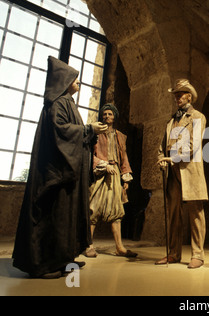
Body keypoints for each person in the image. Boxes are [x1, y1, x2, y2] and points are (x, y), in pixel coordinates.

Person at [12, 56, 107, 278]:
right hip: (56, 172)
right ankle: (43, 264)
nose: (78, 83)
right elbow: (61, 132)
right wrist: (88, 129)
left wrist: (89, 132)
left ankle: (63, 258)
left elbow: (71, 131)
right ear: (65, 81)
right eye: (75, 79)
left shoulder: (66, 102)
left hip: (67, 172)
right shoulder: (57, 103)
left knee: (66, 217)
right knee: (52, 216)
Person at [156, 79, 208, 269]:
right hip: (172, 171)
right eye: (176, 94)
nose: (177, 97)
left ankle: (198, 255)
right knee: (174, 213)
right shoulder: (171, 121)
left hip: (190, 169)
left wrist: (173, 158)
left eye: (181, 94)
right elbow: (162, 146)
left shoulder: (197, 117)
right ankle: (173, 253)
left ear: (189, 96)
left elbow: (193, 145)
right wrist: (162, 158)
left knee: (195, 212)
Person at [84, 104, 137, 258]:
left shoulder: (120, 136)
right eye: (104, 114)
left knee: (116, 211)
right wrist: (103, 165)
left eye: (109, 114)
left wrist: (125, 176)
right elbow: (89, 155)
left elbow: (123, 157)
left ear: (114, 117)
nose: (106, 116)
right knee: (93, 208)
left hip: (115, 176)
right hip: (100, 175)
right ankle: (88, 245)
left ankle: (119, 247)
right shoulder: (96, 134)